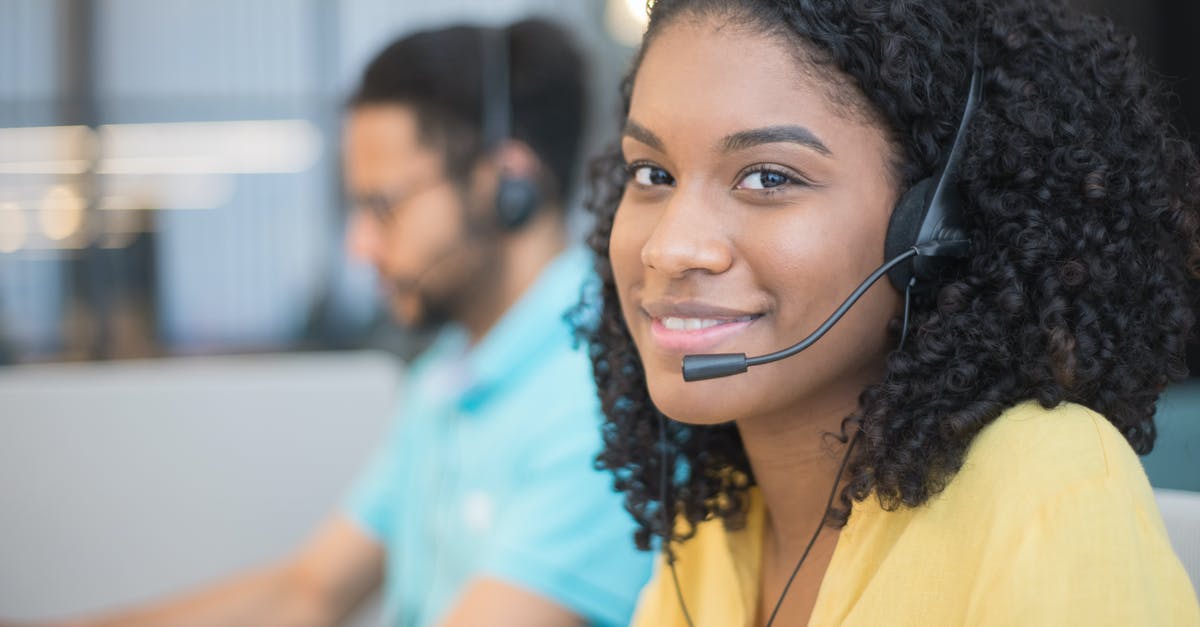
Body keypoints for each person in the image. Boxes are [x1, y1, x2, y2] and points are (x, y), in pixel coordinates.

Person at [578, 1, 1200, 625]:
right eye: (652, 172)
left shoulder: (1047, 485)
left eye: (768, 178)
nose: (668, 248)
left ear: (936, 228)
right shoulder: (717, 530)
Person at [16, 19, 651, 627]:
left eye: (383, 206)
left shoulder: (598, 394)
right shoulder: (451, 375)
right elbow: (308, 593)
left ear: (505, 184)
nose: (360, 245)